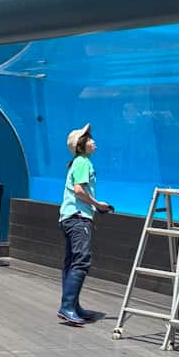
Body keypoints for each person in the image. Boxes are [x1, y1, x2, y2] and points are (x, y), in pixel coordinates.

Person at [58, 123, 111, 326]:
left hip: (68, 217)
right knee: (81, 260)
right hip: (79, 218)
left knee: (71, 262)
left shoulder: (76, 162)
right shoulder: (83, 163)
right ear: (80, 145)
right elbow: (79, 190)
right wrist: (97, 205)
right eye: (88, 138)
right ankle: (67, 306)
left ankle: (72, 304)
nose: (93, 141)